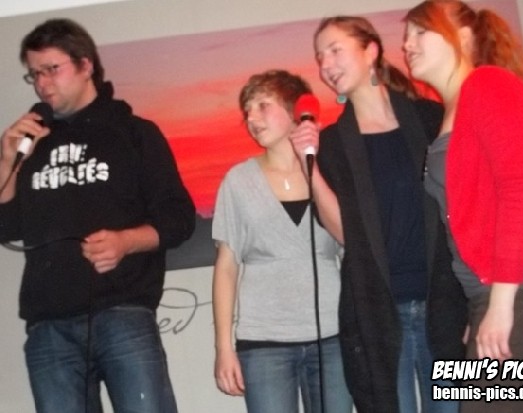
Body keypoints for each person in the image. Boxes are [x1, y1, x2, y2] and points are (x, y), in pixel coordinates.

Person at [0, 18, 196, 413]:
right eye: (35, 74)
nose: (42, 84)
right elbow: (7, 227)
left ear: (85, 65)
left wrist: (126, 241)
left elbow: (179, 218)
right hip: (49, 324)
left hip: (123, 312)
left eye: (52, 69)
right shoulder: (32, 144)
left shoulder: (135, 133)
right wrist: (7, 161)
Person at [289, 16, 467, 413]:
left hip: (445, 304)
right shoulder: (333, 143)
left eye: (335, 50)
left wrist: (478, 303)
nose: (326, 65)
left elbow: (463, 208)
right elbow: (346, 235)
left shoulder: (430, 118)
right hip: (378, 315)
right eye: (320, 57)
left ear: (370, 51)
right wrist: (308, 167)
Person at [403, 1, 523, 412]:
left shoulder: (489, 84)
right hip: (497, 293)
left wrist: (501, 306)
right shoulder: (453, 108)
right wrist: (482, 309)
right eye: (406, 36)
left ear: (464, 37)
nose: (407, 44)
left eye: (420, 32)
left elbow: (521, 189)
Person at [211, 69, 353, 413]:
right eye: (247, 111)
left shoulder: (329, 171)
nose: (251, 118)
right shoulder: (238, 181)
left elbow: (351, 244)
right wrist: (223, 348)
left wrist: (312, 165)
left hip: (333, 337)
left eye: (262, 105)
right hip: (263, 343)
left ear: (296, 110)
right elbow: (226, 267)